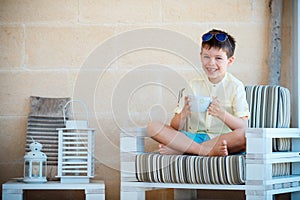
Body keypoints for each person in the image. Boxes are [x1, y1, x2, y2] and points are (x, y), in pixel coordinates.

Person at [147, 29, 249, 156]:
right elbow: (174, 126)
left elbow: (243, 125)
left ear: (230, 61)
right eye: (206, 57)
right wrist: (182, 115)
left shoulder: (235, 86)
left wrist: (222, 114)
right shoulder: (192, 85)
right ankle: (202, 150)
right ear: (200, 56)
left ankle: (184, 150)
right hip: (194, 137)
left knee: (245, 134)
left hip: (222, 140)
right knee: (153, 126)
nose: (211, 63)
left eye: (218, 58)